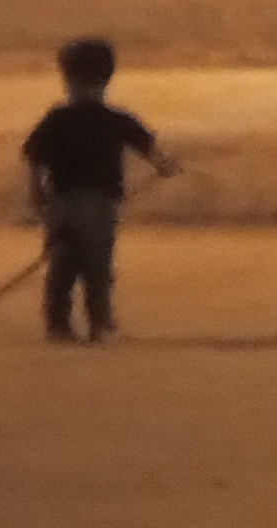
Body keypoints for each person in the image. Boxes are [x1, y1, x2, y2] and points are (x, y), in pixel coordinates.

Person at [20, 38, 176, 344]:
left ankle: (59, 325)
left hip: (62, 204)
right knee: (97, 266)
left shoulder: (58, 119)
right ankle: (99, 324)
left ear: (68, 79)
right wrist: (163, 165)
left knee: (62, 265)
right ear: (107, 79)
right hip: (98, 206)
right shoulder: (113, 119)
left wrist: (36, 194)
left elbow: (35, 158)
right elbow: (147, 145)